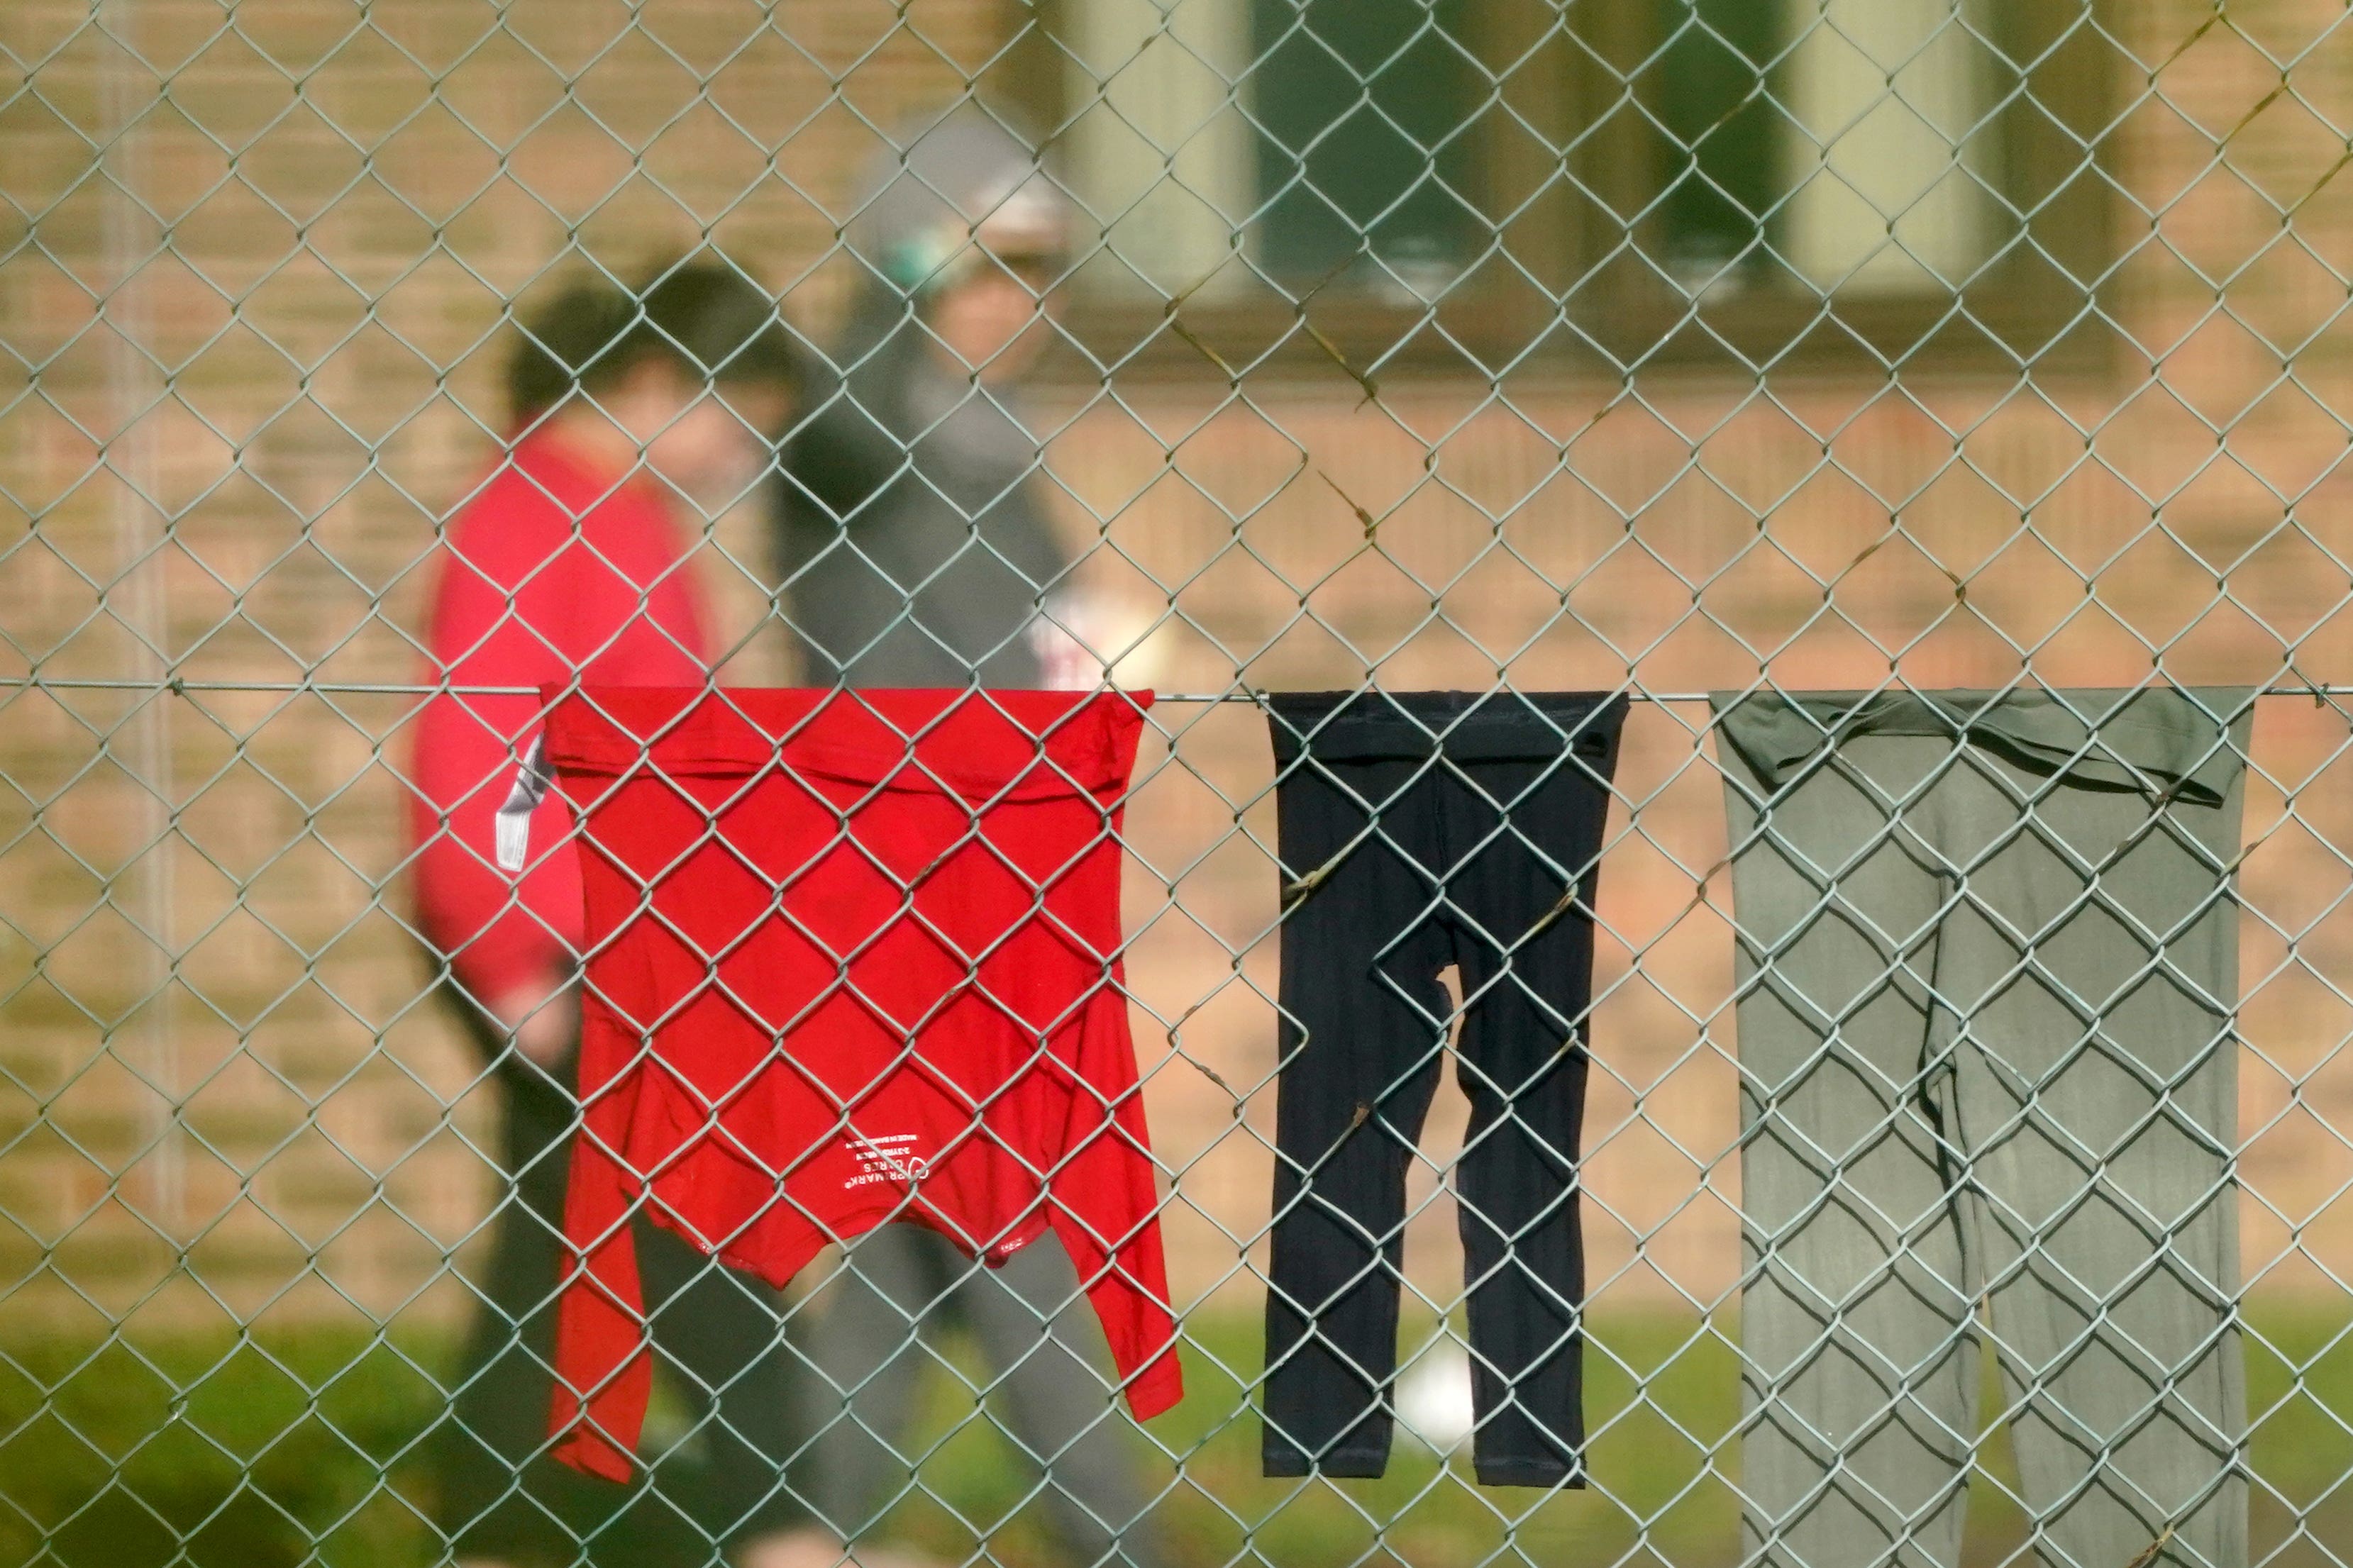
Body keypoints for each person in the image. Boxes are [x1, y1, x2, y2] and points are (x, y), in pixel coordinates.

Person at [764, 106, 1172, 1568]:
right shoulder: (861, 425)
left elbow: (1026, 637)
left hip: (993, 896)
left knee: (897, 1263)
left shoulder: (985, 436)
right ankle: (1120, 1547)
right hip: (909, 910)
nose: (1021, 302)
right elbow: (851, 402)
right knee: (1017, 1242)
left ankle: (803, 1529)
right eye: (989, 267)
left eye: (1040, 270)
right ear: (914, 268)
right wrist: (917, 244)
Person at [408, 257, 811, 1568]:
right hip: (560, 948)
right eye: (733, 417)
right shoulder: (538, 514)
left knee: (562, 1232)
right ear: (649, 383)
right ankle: (785, 1528)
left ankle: (495, 1525)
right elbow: (480, 750)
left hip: (608, 938)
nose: (742, 453)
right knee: (700, 1225)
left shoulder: (600, 511)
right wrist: (514, 959)